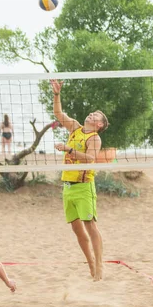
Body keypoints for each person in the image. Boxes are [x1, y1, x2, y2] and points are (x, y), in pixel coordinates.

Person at [50, 79, 108, 281]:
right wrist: (57, 94)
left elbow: (91, 159)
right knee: (76, 228)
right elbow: (58, 114)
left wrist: (69, 150)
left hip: (84, 187)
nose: (91, 115)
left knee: (90, 224)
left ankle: (99, 266)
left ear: (99, 124)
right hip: (67, 185)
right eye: (91, 113)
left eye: (95, 116)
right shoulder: (75, 127)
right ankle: (91, 264)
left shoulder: (94, 138)